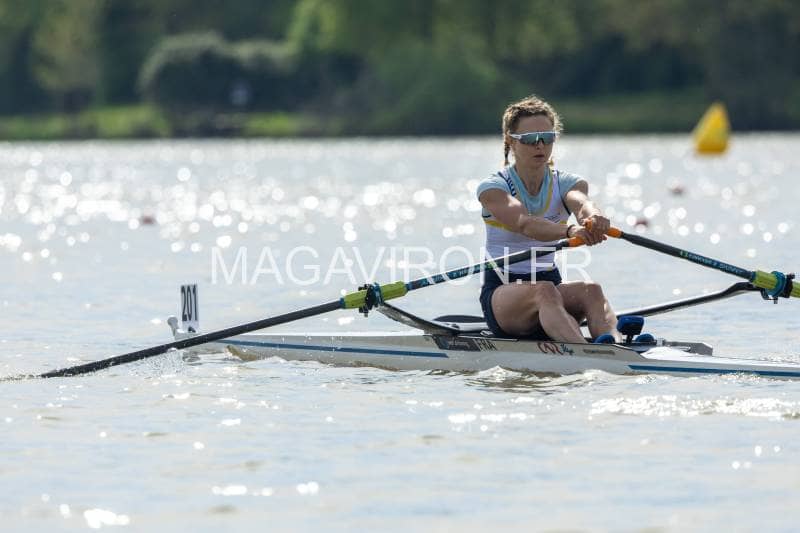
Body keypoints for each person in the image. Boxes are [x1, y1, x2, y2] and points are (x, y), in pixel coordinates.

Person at [477, 95, 621, 344]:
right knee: (544, 291)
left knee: (592, 290)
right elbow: (525, 224)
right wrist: (569, 232)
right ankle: (585, 352)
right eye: (530, 139)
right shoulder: (493, 188)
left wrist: (594, 218)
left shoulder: (567, 183)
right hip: (503, 293)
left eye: (547, 137)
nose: (540, 145)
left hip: (551, 286)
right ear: (510, 141)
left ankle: (614, 344)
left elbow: (582, 203)